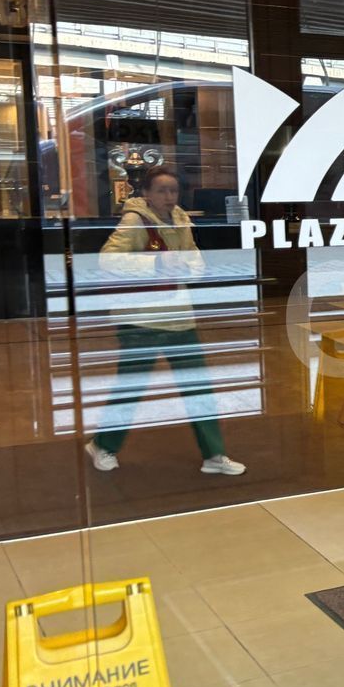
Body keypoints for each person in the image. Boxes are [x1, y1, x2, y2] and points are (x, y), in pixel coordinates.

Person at [84, 165, 246, 476]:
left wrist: (187, 268)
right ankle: (103, 446)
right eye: (161, 190)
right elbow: (108, 260)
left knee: (198, 387)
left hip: (178, 317)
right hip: (140, 320)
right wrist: (156, 263)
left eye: (173, 190)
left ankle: (214, 454)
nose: (169, 196)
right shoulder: (135, 220)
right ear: (146, 193)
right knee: (131, 387)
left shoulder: (181, 219)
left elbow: (194, 259)